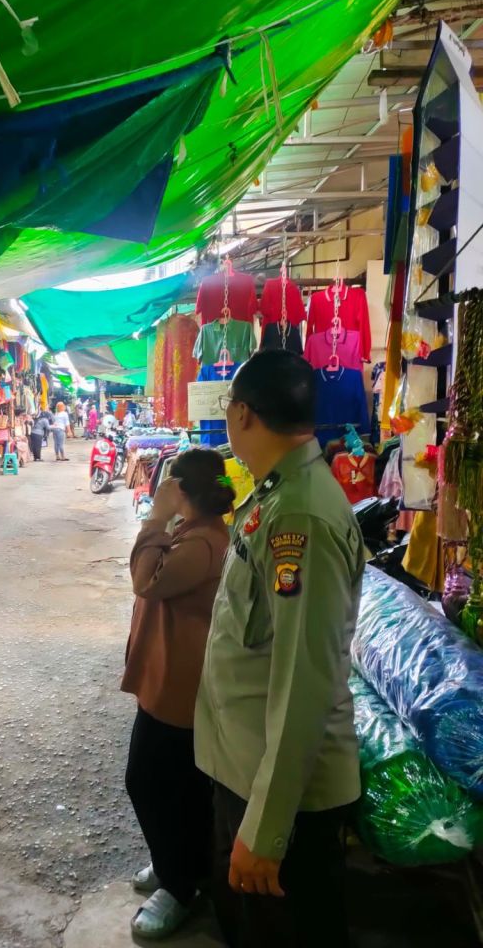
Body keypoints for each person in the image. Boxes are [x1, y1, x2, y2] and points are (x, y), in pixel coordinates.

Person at [195, 350, 365, 948]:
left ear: (242, 414)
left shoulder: (301, 517)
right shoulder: (277, 494)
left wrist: (266, 830)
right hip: (250, 771)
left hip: (286, 799)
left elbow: (304, 685)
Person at [123, 450, 234, 939]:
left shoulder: (203, 542)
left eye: (169, 482)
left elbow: (145, 581)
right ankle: (177, 864)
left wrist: (155, 518)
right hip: (168, 683)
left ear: (182, 490)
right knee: (172, 785)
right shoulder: (193, 533)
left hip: (181, 689)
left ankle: (181, 885)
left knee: (152, 783)